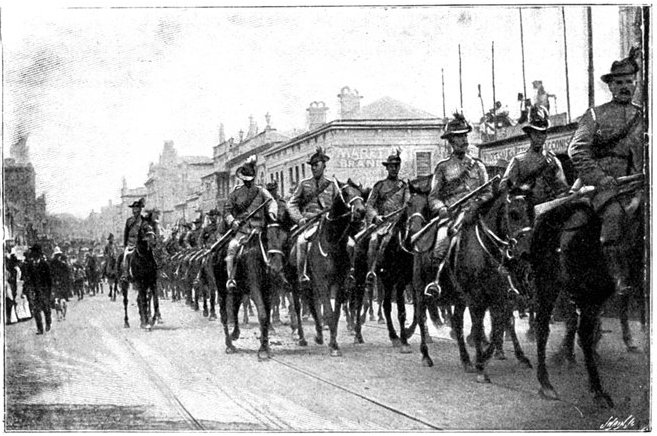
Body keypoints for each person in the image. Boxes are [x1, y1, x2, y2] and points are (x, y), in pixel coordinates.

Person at [565, 48, 644, 351]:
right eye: (619, 82)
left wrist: (639, 192)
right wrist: (600, 178)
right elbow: (576, 151)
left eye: (630, 81)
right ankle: (615, 278)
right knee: (613, 216)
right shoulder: (595, 115)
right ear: (610, 86)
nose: (625, 86)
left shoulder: (643, 117)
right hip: (602, 188)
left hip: (635, 185)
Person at [425, 112, 493, 296]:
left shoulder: (478, 166)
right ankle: (436, 282)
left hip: (476, 214)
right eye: (458, 136)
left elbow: (488, 192)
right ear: (450, 141)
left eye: (464, 135)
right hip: (452, 216)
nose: (463, 140)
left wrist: (478, 203)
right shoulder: (442, 167)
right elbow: (433, 197)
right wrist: (441, 208)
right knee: (440, 245)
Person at [223, 156, 277, 291]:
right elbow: (227, 211)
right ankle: (231, 279)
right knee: (232, 248)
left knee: (276, 248)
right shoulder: (235, 194)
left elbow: (272, 202)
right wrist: (233, 221)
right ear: (242, 178)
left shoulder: (261, 191)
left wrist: (272, 212)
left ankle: (279, 275)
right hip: (242, 232)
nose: (249, 182)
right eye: (246, 180)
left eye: (251, 180)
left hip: (259, 230)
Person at [287, 147, 338, 285]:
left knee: (348, 243)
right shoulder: (304, 184)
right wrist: (299, 219)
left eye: (316, 165)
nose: (314, 168)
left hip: (328, 223)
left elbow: (338, 205)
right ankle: (302, 275)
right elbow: (291, 204)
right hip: (310, 223)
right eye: (312, 166)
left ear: (324, 166)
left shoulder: (332, 185)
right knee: (301, 242)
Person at [500, 105, 569, 205]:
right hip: (526, 210)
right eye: (536, 132)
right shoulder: (518, 161)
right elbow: (503, 189)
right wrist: (518, 193)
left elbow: (562, 189)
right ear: (530, 134)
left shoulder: (552, 160)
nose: (540, 136)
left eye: (543, 132)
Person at [364, 149, 410, 288]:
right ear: (387, 168)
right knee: (373, 240)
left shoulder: (404, 186)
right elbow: (369, 205)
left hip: (399, 223)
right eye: (391, 166)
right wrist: (375, 217)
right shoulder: (379, 186)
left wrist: (402, 214)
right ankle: (371, 271)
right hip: (383, 224)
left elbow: (407, 204)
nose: (394, 169)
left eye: (396, 166)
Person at [22, 244, 53, 335]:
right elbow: (28, 278)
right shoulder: (30, 265)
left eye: (34, 252)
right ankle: (40, 328)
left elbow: (49, 279)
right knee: (36, 310)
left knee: (46, 309)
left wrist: (50, 291)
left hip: (44, 290)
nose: (33, 254)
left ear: (38, 253)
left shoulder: (45, 264)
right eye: (32, 252)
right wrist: (27, 289)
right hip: (34, 291)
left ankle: (48, 322)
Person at [121, 198, 145, 282]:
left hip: (141, 244)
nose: (135, 210)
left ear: (140, 210)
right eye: (134, 208)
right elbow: (126, 233)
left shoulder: (143, 221)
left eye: (137, 208)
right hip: (131, 244)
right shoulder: (129, 221)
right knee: (125, 256)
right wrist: (125, 245)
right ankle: (125, 274)